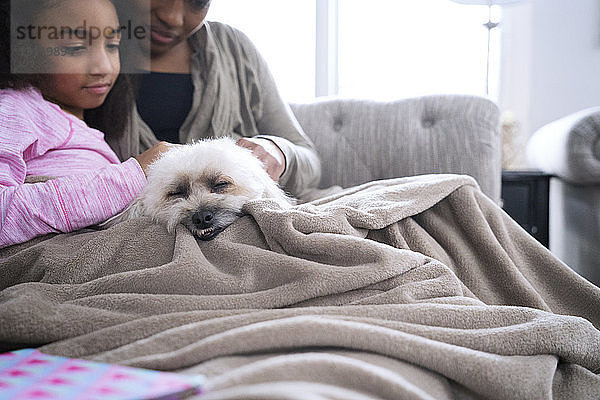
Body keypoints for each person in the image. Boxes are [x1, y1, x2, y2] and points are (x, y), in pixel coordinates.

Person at [106, 0, 321, 199]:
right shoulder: (85, 54)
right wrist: (133, 172)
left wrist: (277, 152)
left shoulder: (236, 50)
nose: (172, 17)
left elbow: (309, 161)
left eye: (198, 1)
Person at [0, 0, 172, 248]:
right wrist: (133, 175)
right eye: (75, 48)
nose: (104, 67)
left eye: (112, 46)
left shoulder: (86, 126)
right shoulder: (14, 108)